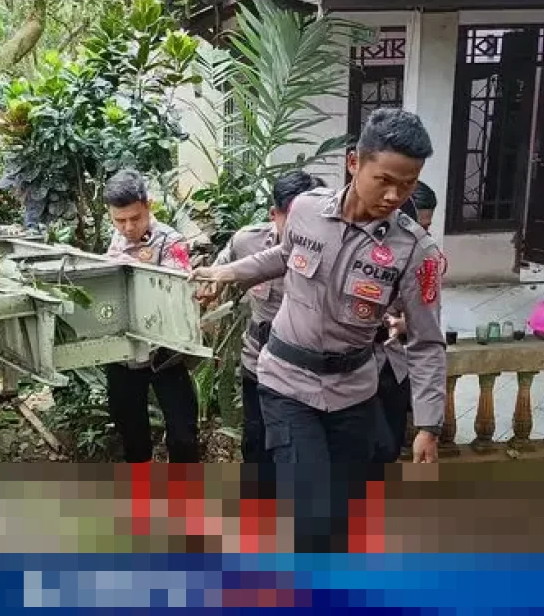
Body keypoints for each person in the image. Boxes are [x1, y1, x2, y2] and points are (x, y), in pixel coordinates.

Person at [192, 108, 446, 552]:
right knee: (310, 515)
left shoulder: (415, 251)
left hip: (353, 393)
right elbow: (281, 256)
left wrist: (428, 424)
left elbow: (425, 342)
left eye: (406, 184)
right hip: (286, 383)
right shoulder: (306, 210)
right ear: (354, 162)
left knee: (343, 517)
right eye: (384, 179)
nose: (394, 195)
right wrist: (227, 273)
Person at [200, 170, 325, 463]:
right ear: (274, 214)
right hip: (259, 362)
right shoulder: (247, 242)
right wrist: (209, 290)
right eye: (295, 218)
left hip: (309, 372)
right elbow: (217, 275)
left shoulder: (336, 251)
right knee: (257, 445)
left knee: (301, 453)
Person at [102, 169, 199, 463]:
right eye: (119, 220)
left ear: (148, 206)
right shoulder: (115, 239)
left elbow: (178, 292)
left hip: (164, 353)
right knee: (131, 432)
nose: (128, 227)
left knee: (183, 434)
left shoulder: (171, 241)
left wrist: (129, 266)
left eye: (135, 218)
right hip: (125, 354)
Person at [375, 180, 439, 457]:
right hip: (349, 373)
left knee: (386, 448)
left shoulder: (424, 256)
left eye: (425, 228)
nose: (422, 235)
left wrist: (429, 425)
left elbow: (428, 334)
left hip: (392, 366)